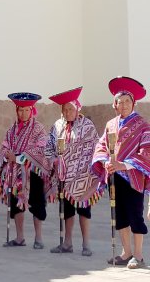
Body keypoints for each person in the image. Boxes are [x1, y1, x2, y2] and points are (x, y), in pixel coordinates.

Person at [92, 76, 150, 269]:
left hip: (133, 177)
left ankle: (139, 255)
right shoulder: (110, 124)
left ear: (133, 103)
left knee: (135, 215)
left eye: (127, 101)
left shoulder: (143, 125)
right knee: (120, 215)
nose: (124, 105)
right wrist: (106, 161)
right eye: (120, 101)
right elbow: (101, 145)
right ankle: (126, 252)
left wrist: (123, 165)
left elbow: (147, 152)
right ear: (114, 104)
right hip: (115, 178)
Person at [45, 87, 100, 256]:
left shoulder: (87, 126)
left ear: (77, 108)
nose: (68, 112)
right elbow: (48, 147)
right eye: (65, 109)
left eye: (71, 109)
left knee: (84, 209)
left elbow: (95, 148)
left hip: (84, 176)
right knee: (66, 210)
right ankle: (67, 243)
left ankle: (86, 244)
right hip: (63, 178)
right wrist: (53, 159)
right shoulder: (57, 126)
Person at [0, 93, 51, 248]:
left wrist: (18, 158)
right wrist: (6, 155)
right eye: (20, 110)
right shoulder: (12, 130)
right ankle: (19, 237)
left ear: (32, 110)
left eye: (26, 110)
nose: (23, 114)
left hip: (34, 172)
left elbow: (40, 150)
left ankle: (39, 238)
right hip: (15, 175)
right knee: (16, 204)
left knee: (37, 204)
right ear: (17, 111)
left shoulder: (39, 128)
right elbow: (4, 146)